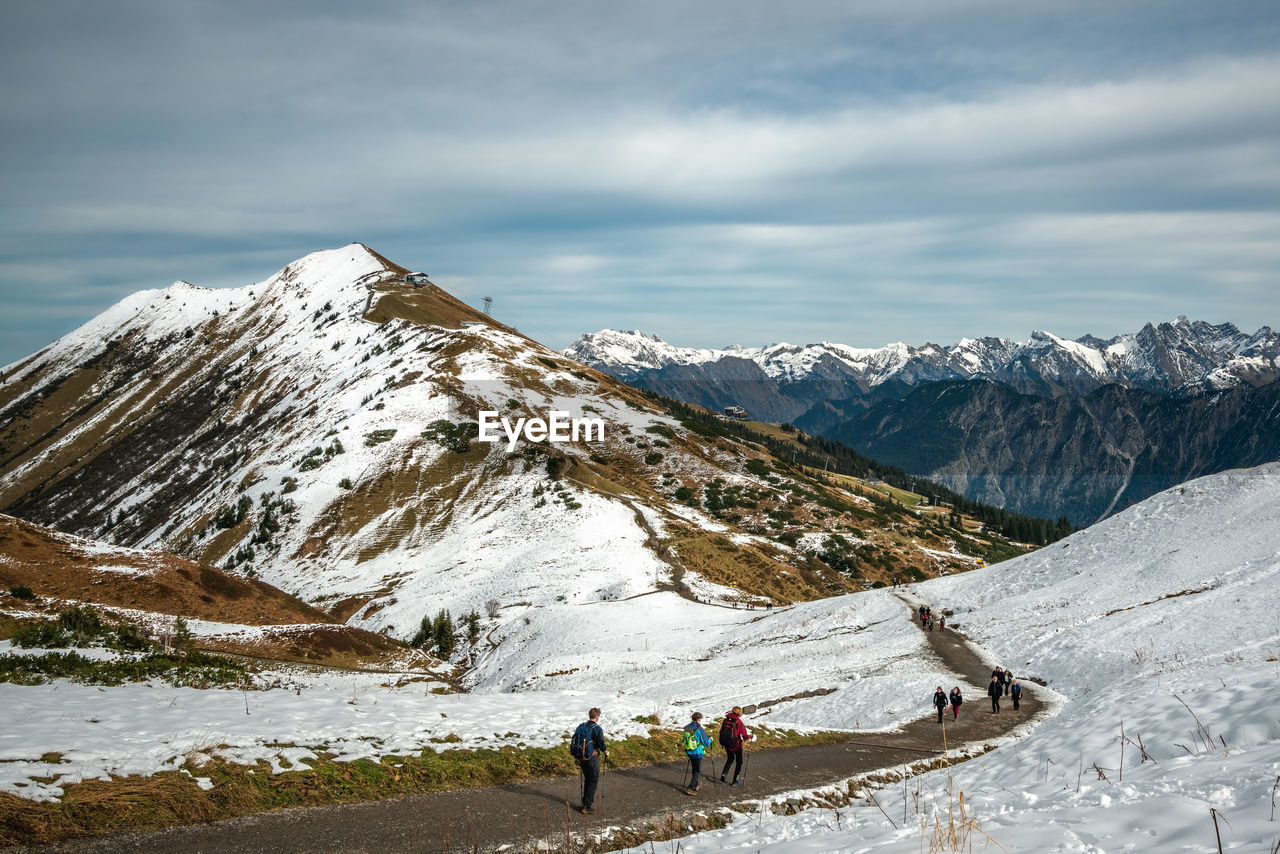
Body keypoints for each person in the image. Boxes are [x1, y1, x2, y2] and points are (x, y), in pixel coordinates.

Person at [572, 707, 608, 814]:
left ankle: (585, 801)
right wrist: (605, 751)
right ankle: (586, 806)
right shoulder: (597, 729)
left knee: (588, 779)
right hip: (593, 757)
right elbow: (601, 743)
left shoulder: (582, 726)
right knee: (593, 781)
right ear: (597, 717)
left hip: (582, 757)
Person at [719, 706, 753, 786]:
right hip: (736, 744)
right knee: (739, 761)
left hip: (727, 743)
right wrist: (751, 736)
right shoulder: (738, 721)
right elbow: (744, 735)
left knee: (730, 758)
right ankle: (735, 780)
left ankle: (723, 775)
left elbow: (721, 731)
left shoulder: (726, 719)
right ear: (739, 712)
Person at [682, 712, 712, 794]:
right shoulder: (699, 729)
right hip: (697, 752)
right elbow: (706, 743)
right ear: (699, 719)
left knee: (694, 769)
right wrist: (710, 740)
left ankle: (695, 784)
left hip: (690, 751)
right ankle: (691, 788)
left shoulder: (687, 728)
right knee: (697, 770)